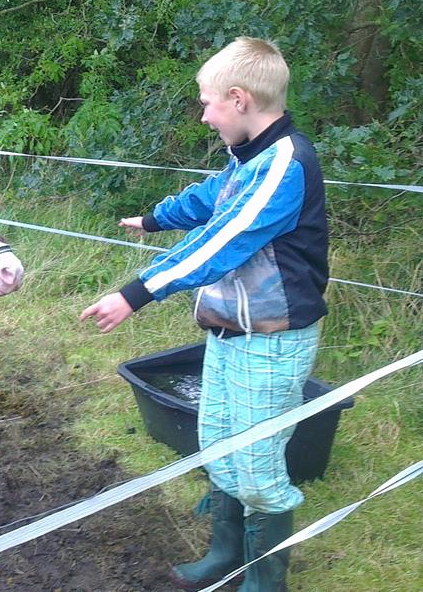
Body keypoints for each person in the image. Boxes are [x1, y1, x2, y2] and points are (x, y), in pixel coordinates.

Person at [79, 36, 329, 591]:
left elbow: (222, 241)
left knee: (259, 467)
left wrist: (135, 292)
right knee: (218, 440)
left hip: (273, 339)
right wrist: (154, 219)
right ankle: (224, 554)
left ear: (239, 99)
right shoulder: (250, 159)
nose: (203, 114)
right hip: (227, 331)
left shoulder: (286, 164)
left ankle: (266, 582)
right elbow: (211, 198)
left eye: (207, 101)